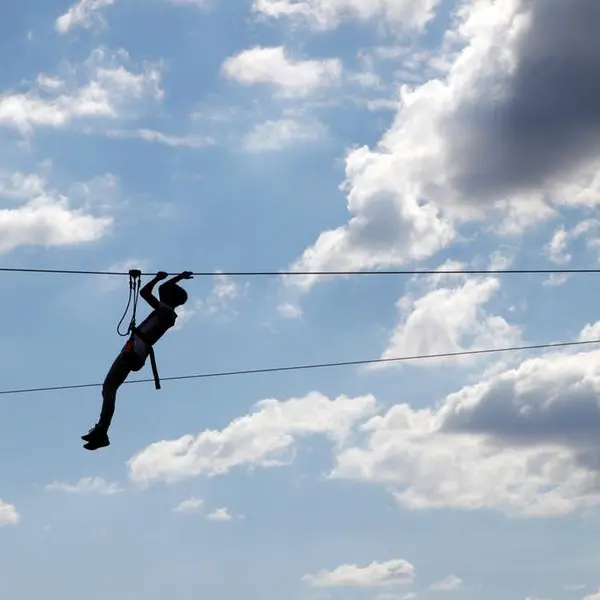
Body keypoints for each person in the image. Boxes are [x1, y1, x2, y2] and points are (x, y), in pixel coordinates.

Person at [81, 270, 193, 451]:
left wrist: (157, 278)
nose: (162, 291)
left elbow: (145, 293)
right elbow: (164, 288)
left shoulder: (166, 311)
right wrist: (178, 277)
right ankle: (101, 430)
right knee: (109, 388)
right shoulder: (167, 312)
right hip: (136, 350)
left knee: (109, 388)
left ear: (171, 298)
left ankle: (102, 431)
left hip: (134, 351)